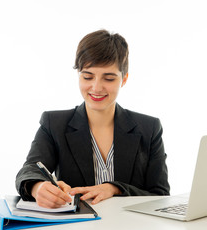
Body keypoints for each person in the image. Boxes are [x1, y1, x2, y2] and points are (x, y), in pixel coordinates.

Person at [15, 29, 170, 208]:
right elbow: (30, 169)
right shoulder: (54, 123)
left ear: (124, 79)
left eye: (109, 78)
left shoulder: (149, 128)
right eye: (87, 76)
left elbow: (161, 195)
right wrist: (37, 186)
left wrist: (115, 188)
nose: (96, 87)